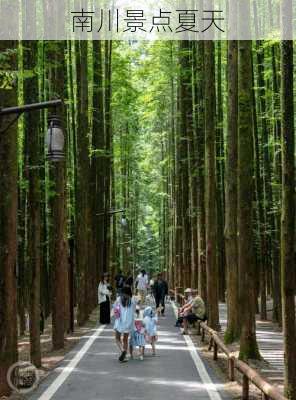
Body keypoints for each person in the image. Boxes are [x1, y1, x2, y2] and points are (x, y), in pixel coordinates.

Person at [113, 285, 135, 363]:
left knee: (117, 338)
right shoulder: (132, 301)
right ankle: (124, 355)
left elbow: (115, 308)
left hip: (120, 322)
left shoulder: (119, 299)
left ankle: (122, 350)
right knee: (125, 339)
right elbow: (134, 311)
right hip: (128, 323)